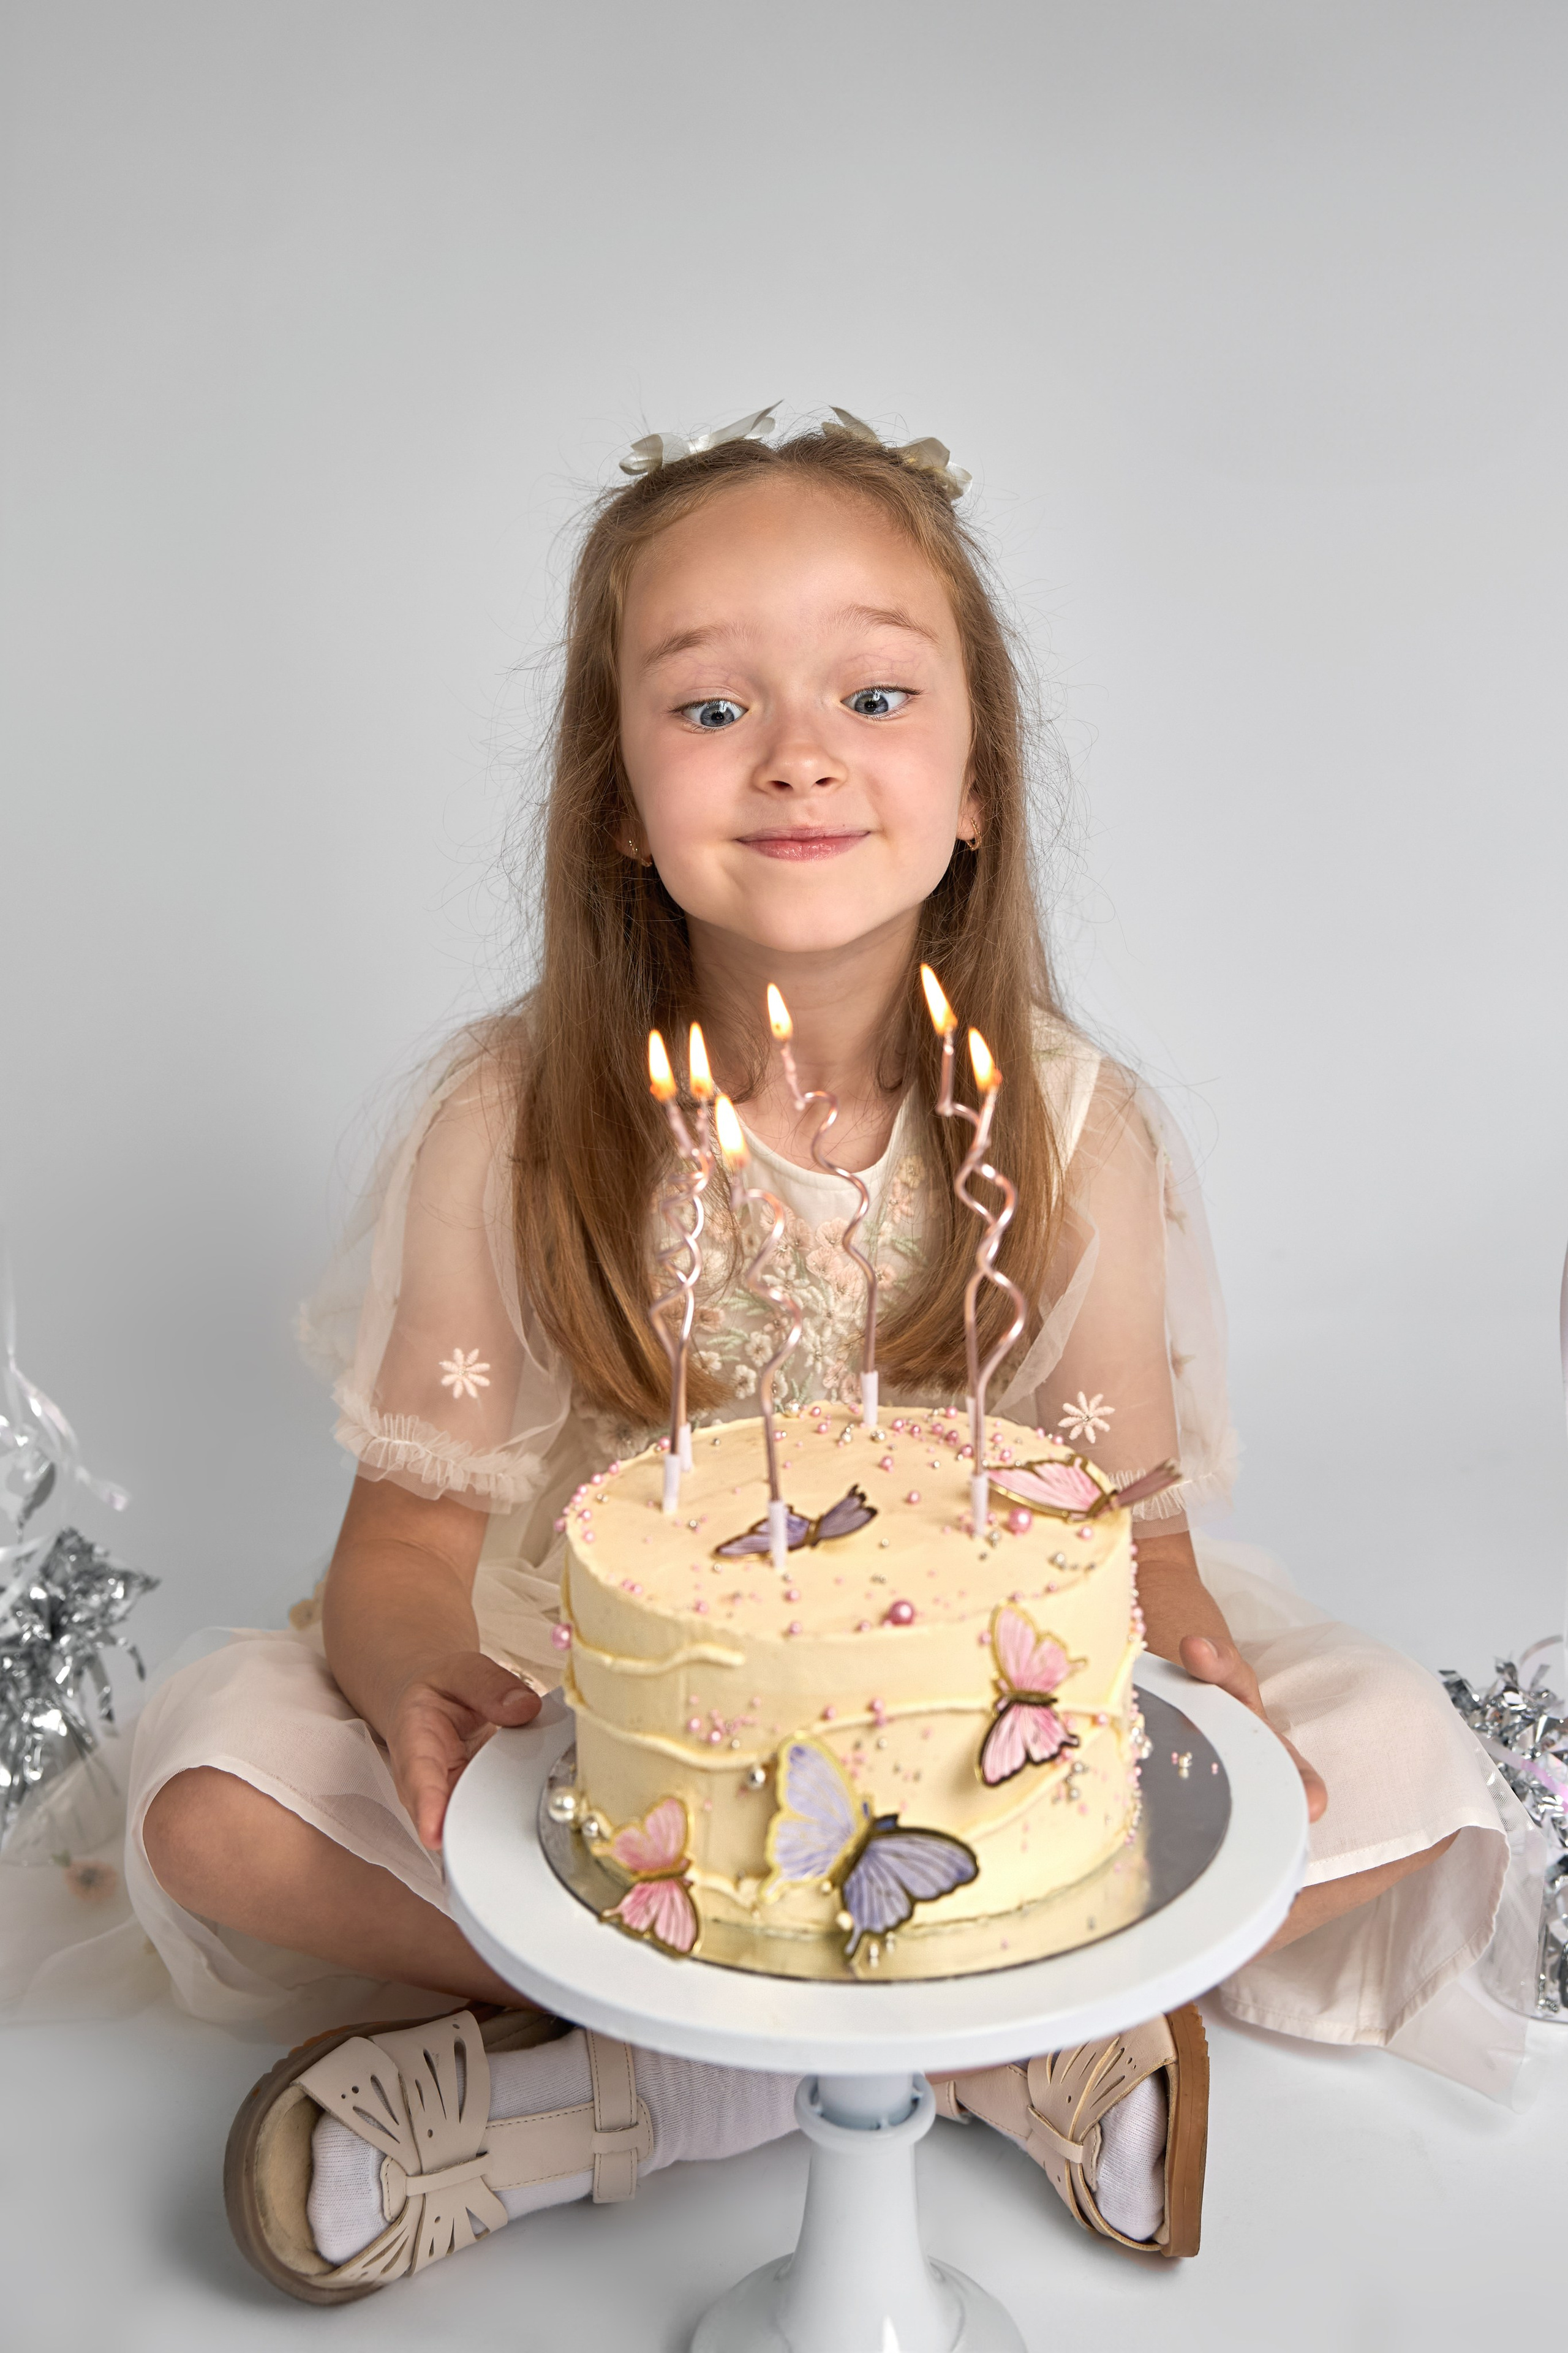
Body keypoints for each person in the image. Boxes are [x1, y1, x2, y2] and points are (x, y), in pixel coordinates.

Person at [121, 409, 1516, 2298]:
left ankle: (627, 2104)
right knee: (214, 1795)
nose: (796, 755)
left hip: (969, 1727)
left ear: (976, 783)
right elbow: (400, 1553)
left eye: (872, 692)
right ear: (614, 791)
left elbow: (1133, 1535)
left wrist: (1194, 1687)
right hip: (613, 1720)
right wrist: (420, 1693)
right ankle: (998, 2049)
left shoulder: (1074, 1133)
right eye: (709, 708)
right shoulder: (515, 1119)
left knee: (1395, 1769)